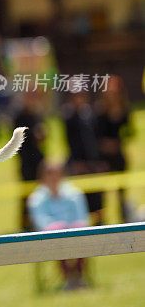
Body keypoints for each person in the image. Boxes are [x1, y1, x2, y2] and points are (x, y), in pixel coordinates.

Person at [28, 161, 90, 290]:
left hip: (75, 235)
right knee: (57, 233)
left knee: (81, 231)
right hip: (51, 237)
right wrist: (60, 227)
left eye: (57, 173)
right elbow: (41, 221)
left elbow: (81, 217)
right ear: (43, 176)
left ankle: (78, 277)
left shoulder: (74, 193)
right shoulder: (37, 198)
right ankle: (69, 278)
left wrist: (71, 228)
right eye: (50, 174)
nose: (54, 177)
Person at [62, 89, 104, 224]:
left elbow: (95, 140)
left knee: (97, 198)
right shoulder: (68, 116)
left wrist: (97, 161)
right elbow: (70, 141)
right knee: (80, 198)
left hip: (93, 163)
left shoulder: (91, 114)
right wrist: (77, 162)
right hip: (78, 165)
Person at [96, 76, 133, 222]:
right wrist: (106, 144)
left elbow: (130, 132)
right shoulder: (100, 111)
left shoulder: (124, 110)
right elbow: (96, 135)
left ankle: (124, 221)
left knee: (121, 195)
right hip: (103, 159)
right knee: (101, 194)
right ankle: (101, 223)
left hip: (119, 157)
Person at [14, 92, 46, 231]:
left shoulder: (37, 116)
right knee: (26, 198)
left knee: (41, 195)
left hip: (38, 162)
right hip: (26, 163)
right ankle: (25, 227)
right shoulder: (19, 117)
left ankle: (39, 223)